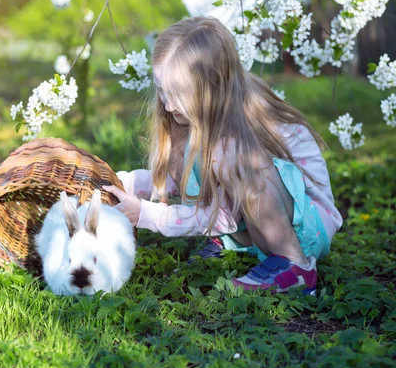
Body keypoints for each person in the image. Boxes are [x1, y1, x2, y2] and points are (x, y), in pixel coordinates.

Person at [102, 16, 343, 295]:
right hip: (262, 216)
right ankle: (232, 245)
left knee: (230, 156)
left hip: (306, 229)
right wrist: (123, 182)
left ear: (210, 88)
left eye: (176, 94)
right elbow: (176, 179)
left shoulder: (239, 130)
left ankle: (295, 267)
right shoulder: (201, 117)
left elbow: (220, 216)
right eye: (161, 90)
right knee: (201, 157)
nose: (166, 105)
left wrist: (147, 214)